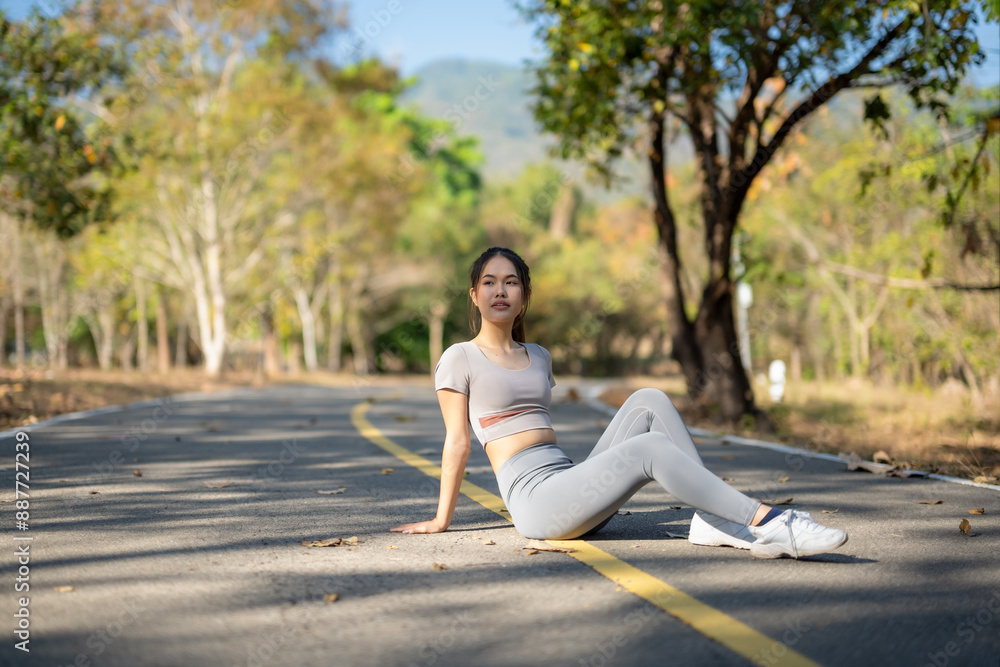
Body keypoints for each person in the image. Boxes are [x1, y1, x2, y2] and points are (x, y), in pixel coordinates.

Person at [390, 247, 847, 559]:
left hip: (566, 483)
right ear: (474, 295)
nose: (500, 291)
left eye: (511, 283)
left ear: (524, 296)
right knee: (649, 449)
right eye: (489, 283)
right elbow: (458, 444)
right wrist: (440, 520)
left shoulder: (539, 357)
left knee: (649, 399)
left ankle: (712, 521)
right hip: (536, 505)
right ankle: (767, 521)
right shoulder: (460, 357)